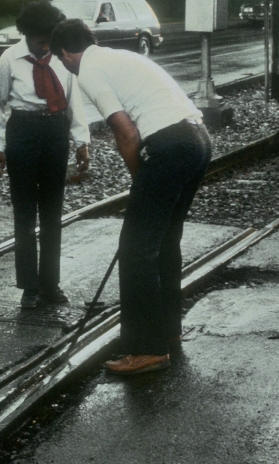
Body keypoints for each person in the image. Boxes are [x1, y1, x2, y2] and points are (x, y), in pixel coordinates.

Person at [50, 18, 211, 376]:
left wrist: (140, 179)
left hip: (169, 145)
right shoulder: (118, 57)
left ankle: (145, 349)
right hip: (198, 139)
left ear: (64, 53)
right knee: (165, 241)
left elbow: (125, 131)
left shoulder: (87, 70)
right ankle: (167, 332)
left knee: (136, 248)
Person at [0, 1, 91, 309]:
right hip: (23, 131)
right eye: (37, 36)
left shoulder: (61, 58)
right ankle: (29, 287)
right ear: (25, 33)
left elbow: (75, 101)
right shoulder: (9, 59)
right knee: (24, 213)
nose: (43, 42)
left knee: (52, 212)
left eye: (48, 36)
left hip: (55, 131)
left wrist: (81, 141)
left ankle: (50, 284)